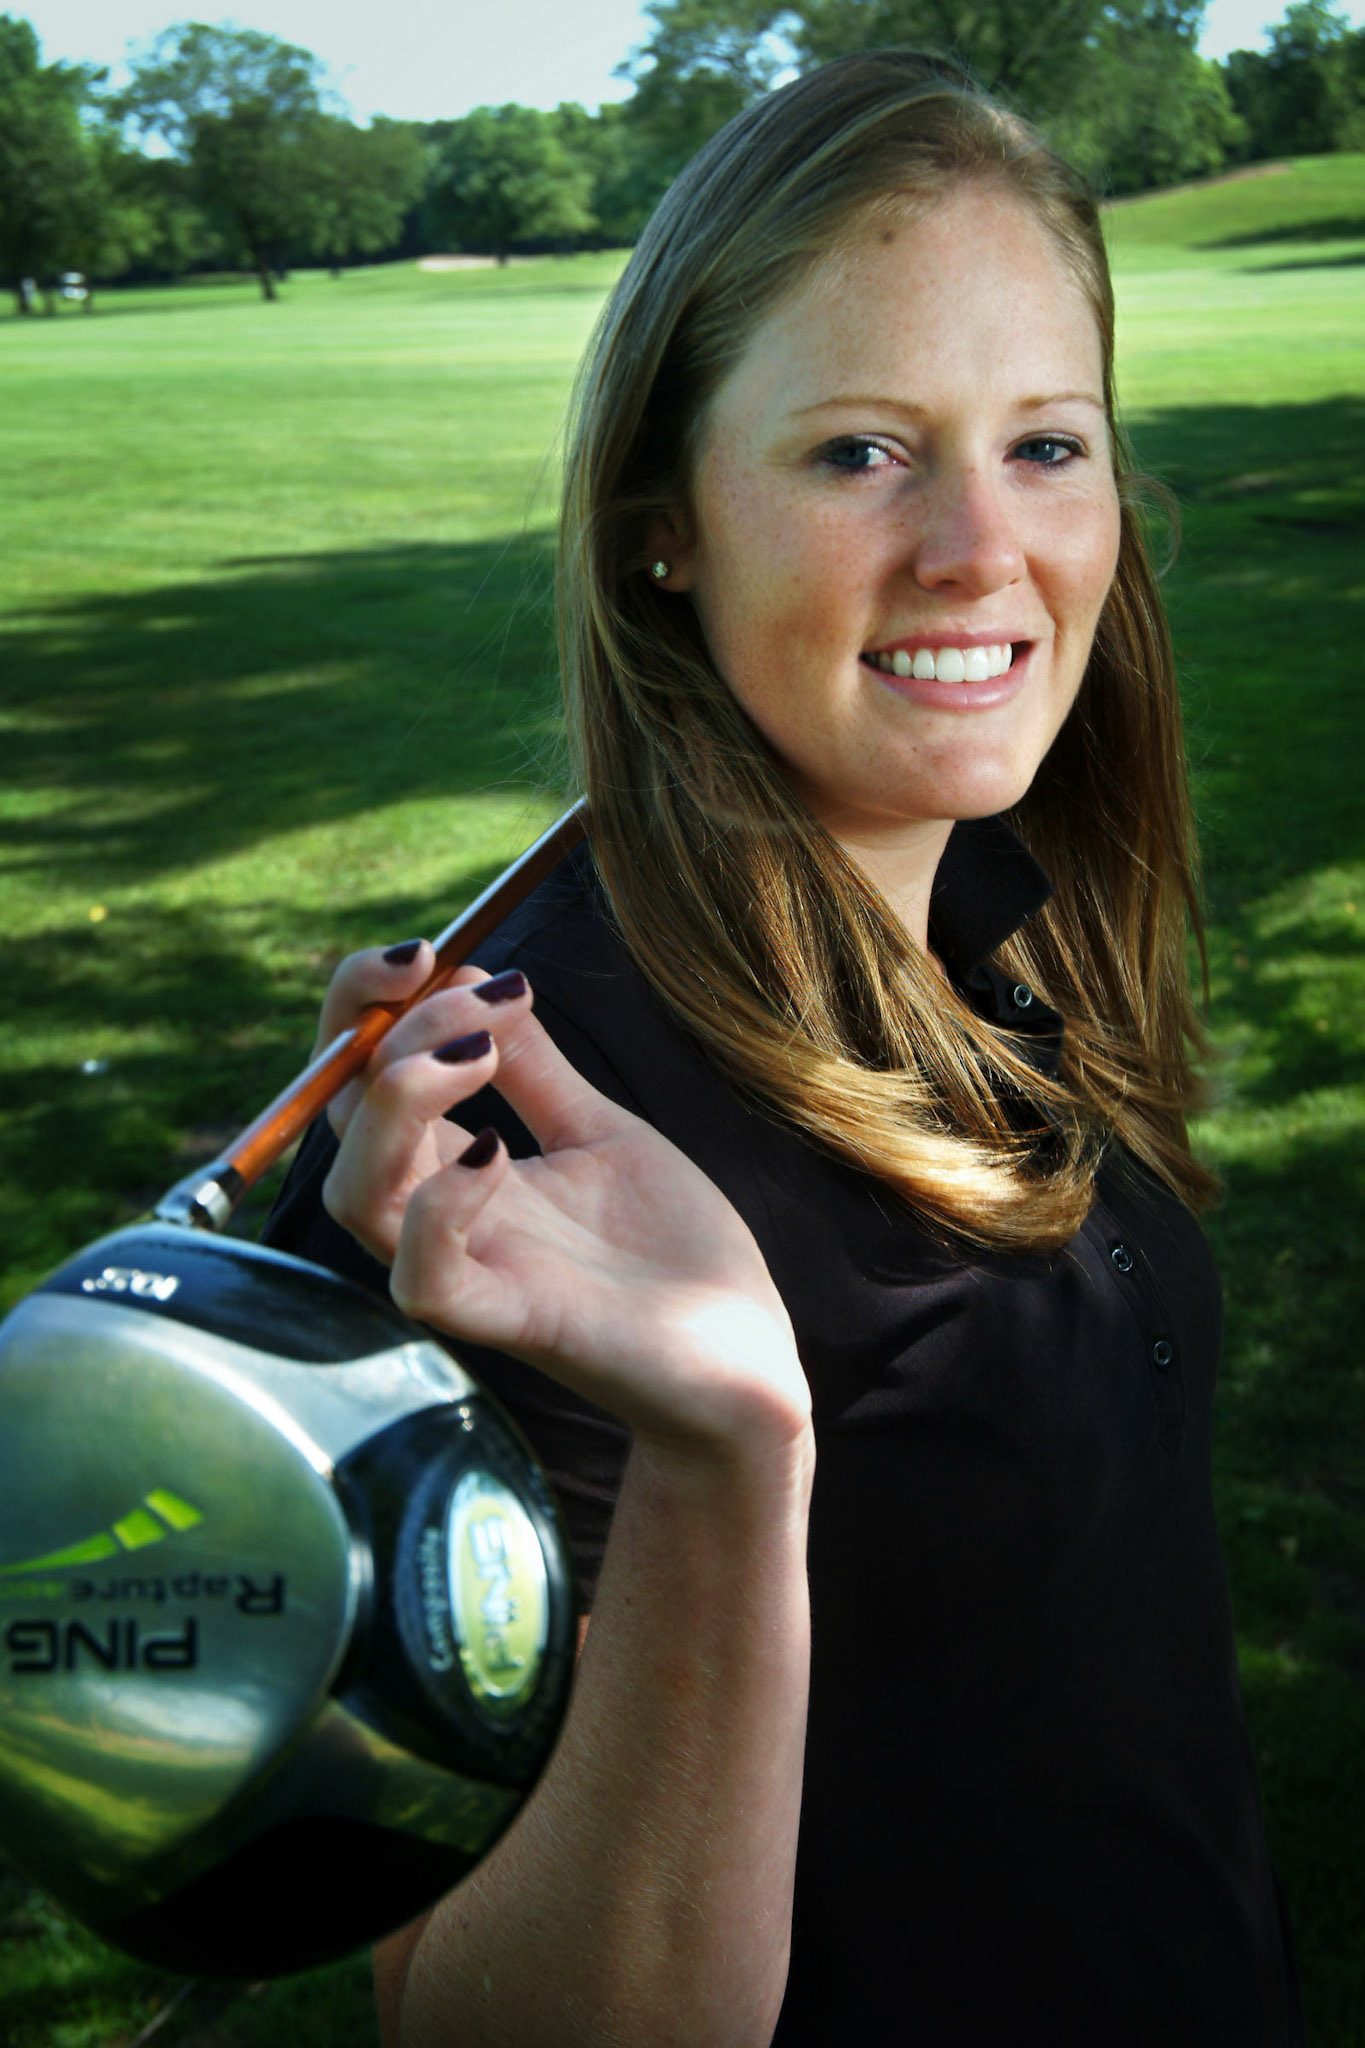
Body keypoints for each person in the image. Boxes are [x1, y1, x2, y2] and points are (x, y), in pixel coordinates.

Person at [264, 49, 1304, 2046]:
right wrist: (722, 1459)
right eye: (855, 452)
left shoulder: (990, 916)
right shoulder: (525, 1142)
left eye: (1045, 444)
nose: (975, 552)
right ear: (666, 527)